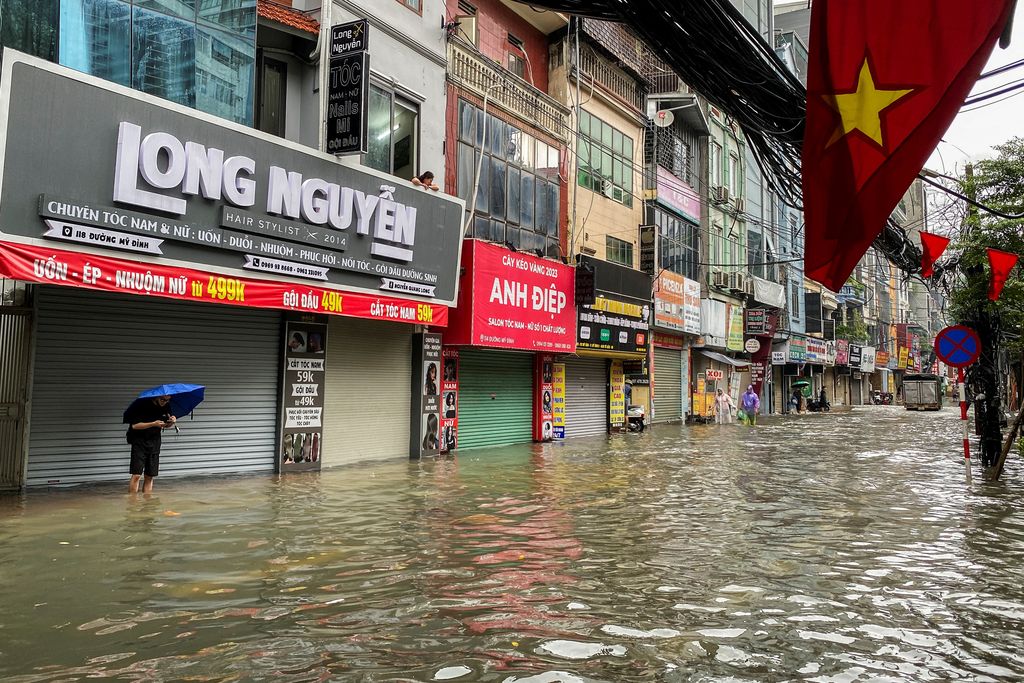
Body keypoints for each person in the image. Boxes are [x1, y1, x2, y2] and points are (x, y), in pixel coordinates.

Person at [124, 395, 175, 494]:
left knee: (150, 475)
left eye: (168, 400)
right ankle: (133, 503)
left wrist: (171, 422)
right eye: (162, 399)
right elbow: (135, 426)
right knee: (137, 474)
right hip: (139, 442)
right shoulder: (142, 405)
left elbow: (166, 424)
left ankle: (147, 504)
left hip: (155, 442)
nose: (164, 402)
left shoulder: (166, 406)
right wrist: (153, 424)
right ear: (156, 397)